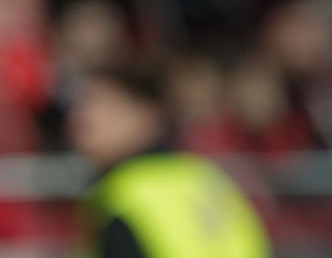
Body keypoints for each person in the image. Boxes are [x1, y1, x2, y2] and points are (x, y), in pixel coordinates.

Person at [69, 64, 271, 258]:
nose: (82, 117)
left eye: (104, 106)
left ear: (147, 115)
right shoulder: (206, 176)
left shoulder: (123, 195)